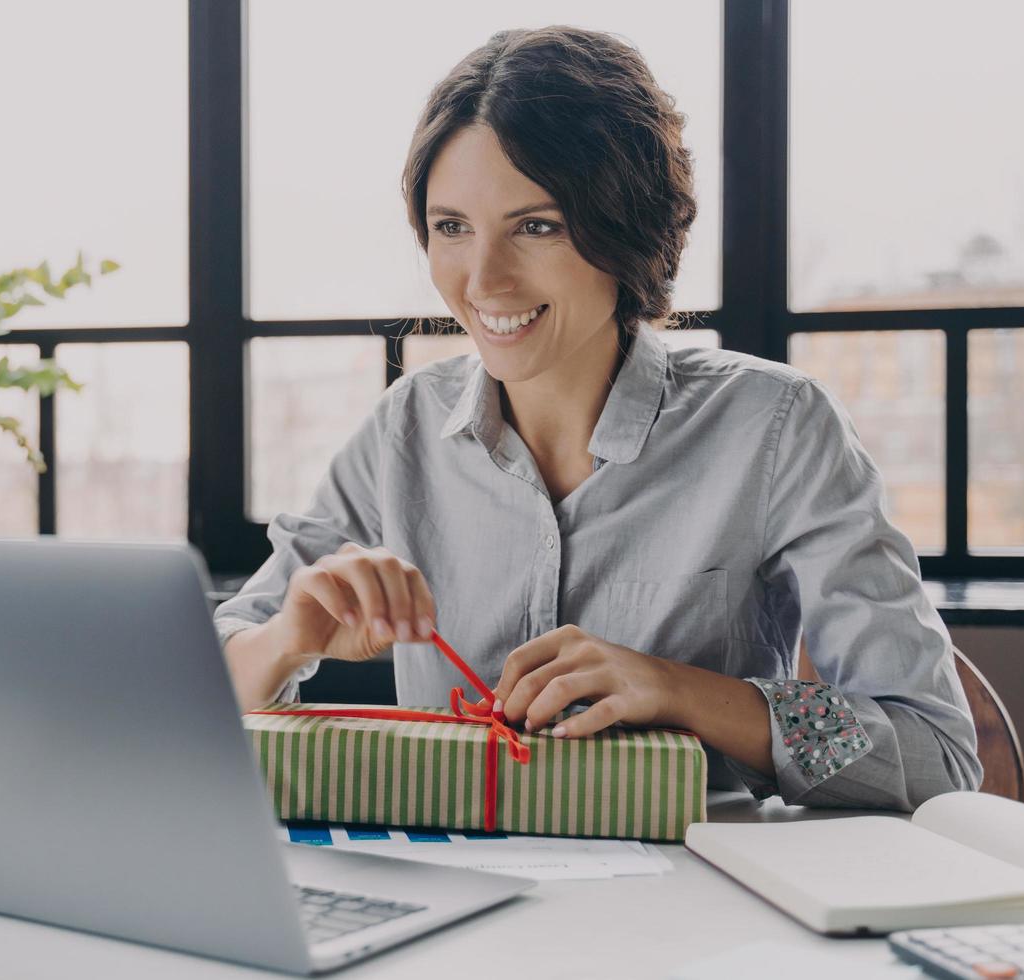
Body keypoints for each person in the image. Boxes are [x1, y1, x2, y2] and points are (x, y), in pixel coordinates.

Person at [215, 26, 980, 811]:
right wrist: (288, 639)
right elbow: (201, 693)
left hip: (700, 904)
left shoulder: (776, 428)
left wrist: (676, 690)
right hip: (456, 897)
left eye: (536, 226)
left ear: (627, 225)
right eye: (452, 228)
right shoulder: (402, 429)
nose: (484, 280)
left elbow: (932, 753)